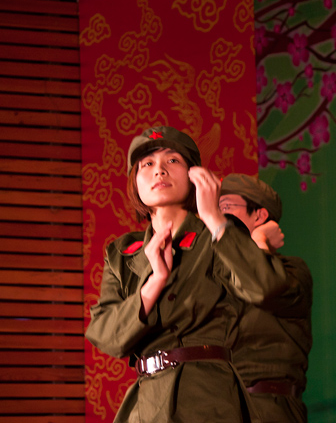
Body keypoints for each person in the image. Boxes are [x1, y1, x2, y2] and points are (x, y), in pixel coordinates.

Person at [85, 126, 288, 423]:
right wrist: (155, 282)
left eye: (173, 160)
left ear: (195, 175)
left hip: (208, 397)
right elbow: (105, 335)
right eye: (147, 164)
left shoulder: (219, 235)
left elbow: (265, 287)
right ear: (134, 182)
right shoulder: (121, 253)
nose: (160, 170)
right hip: (146, 404)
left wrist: (214, 218)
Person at [219, 173, 313, 423]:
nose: (217, 218)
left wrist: (257, 242)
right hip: (221, 405)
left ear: (259, 216)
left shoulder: (293, 271)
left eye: (226, 207)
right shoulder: (217, 274)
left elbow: (264, 287)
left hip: (269, 406)